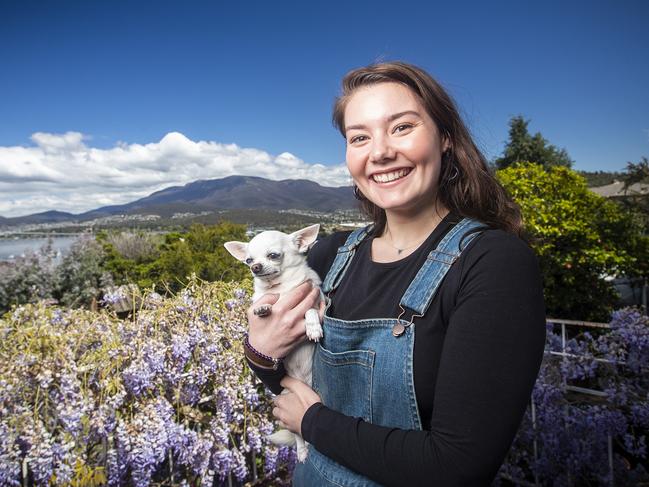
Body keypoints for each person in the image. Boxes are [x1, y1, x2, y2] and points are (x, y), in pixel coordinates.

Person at [243, 61, 546, 486]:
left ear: (445, 138)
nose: (380, 152)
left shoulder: (492, 264)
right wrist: (260, 352)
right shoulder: (331, 256)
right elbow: (283, 370)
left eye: (402, 127)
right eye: (360, 137)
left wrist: (312, 421)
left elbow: (458, 466)